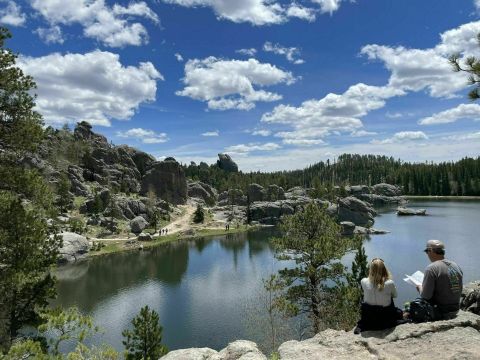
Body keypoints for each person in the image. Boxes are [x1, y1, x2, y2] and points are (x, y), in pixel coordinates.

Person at [416, 239, 463, 320]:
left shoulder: (431, 268)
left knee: (414, 305)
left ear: (430, 251)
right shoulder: (456, 265)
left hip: (440, 311)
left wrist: (419, 287)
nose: (427, 254)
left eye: (427, 251)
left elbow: (425, 296)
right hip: (456, 309)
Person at [354, 258, 403, 334]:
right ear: (384, 269)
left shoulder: (363, 281)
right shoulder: (389, 283)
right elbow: (395, 295)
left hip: (369, 319)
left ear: (371, 269)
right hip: (385, 320)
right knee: (398, 309)